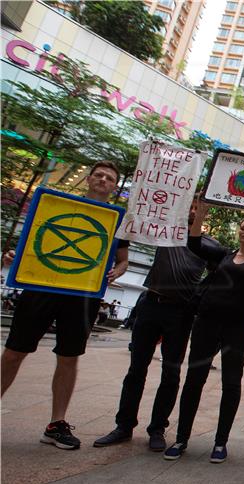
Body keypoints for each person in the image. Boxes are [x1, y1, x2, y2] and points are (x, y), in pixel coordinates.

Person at [1, 161, 129, 450]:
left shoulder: (117, 221)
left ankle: (56, 424)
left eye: (109, 178)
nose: (103, 180)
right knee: (13, 352)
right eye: (98, 175)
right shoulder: (56, 206)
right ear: (88, 179)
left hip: (83, 296)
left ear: (114, 187)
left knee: (69, 357)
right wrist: (16, 257)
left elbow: (123, 259)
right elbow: (36, 243)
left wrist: (118, 270)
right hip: (42, 289)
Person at [162, 200, 244, 463]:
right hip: (207, 324)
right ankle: (181, 438)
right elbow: (194, 242)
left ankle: (221, 443)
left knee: (231, 384)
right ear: (238, 232)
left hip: (236, 330)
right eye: (243, 227)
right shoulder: (222, 255)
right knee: (194, 380)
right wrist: (203, 213)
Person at [94, 200, 220, 451]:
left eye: (199, 207)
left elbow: (221, 275)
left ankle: (157, 429)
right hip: (151, 304)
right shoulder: (165, 232)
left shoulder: (211, 246)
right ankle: (124, 425)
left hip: (181, 313)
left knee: (171, 374)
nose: (193, 210)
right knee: (136, 370)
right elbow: (133, 224)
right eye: (190, 205)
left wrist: (199, 299)